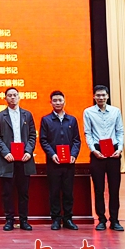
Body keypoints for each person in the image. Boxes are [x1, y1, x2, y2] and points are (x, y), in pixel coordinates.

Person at [0, 87, 37, 231]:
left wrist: (28, 151)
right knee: (7, 192)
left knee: (24, 193)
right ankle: (9, 220)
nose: (12, 97)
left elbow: (32, 135)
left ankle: (24, 220)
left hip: (24, 159)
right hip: (8, 160)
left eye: (15, 95)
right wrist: (5, 152)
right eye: (10, 95)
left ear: (19, 97)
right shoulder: (0, 116)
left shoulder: (27, 115)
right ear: (5, 98)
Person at [83, 84, 125, 231]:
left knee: (114, 188)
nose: (101, 97)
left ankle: (115, 220)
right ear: (94, 96)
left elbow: (120, 131)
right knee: (98, 188)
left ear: (107, 96)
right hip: (97, 151)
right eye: (98, 95)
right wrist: (93, 150)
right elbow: (88, 133)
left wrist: (119, 149)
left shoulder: (115, 111)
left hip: (113, 152)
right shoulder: (88, 112)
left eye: (103, 95)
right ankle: (101, 219)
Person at [39, 91, 81, 231]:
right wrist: (52, 155)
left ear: (64, 102)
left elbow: (76, 140)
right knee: (54, 191)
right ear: (50, 102)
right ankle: (56, 219)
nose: (57, 103)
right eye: (55, 100)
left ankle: (68, 218)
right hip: (53, 163)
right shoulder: (46, 120)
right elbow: (43, 140)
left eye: (60, 100)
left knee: (68, 191)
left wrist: (73, 154)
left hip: (69, 163)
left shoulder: (72, 120)